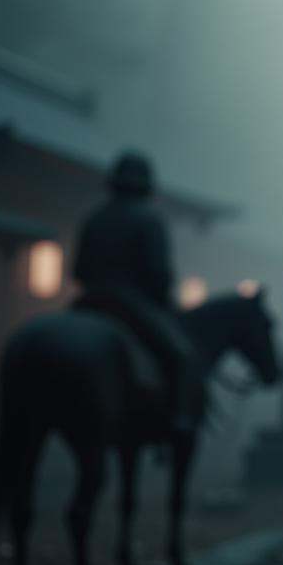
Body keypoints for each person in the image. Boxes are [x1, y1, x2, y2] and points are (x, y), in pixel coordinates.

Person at [72, 150, 201, 435]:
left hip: (88, 302)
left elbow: (78, 271)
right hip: (131, 305)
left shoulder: (94, 218)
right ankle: (179, 418)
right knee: (181, 354)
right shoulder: (149, 220)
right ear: (146, 186)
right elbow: (158, 274)